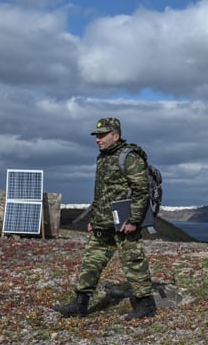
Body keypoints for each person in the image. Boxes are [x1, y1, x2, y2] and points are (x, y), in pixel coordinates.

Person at [53, 117, 157, 321]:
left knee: (133, 262)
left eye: (102, 135)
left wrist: (134, 220)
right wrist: (94, 218)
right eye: (96, 136)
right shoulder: (102, 158)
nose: (97, 139)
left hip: (124, 223)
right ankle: (80, 304)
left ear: (115, 135)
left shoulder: (129, 157)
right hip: (103, 223)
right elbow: (101, 193)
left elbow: (141, 191)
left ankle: (146, 304)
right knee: (91, 262)